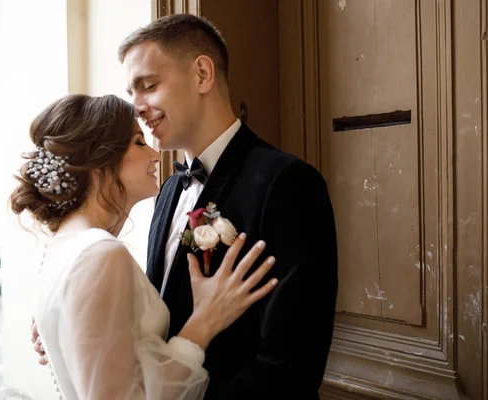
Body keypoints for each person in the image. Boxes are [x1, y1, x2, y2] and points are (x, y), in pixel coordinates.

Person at [118, 14, 339, 399]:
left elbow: (293, 361)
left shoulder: (288, 183)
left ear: (202, 74)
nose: (137, 107)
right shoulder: (169, 189)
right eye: (131, 94)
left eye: (148, 86)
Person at [12, 93, 279, 399]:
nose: (155, 155)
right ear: (99, 161)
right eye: (139, 142)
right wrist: (203, 323)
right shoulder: (100, 253)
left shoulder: (62, 244)